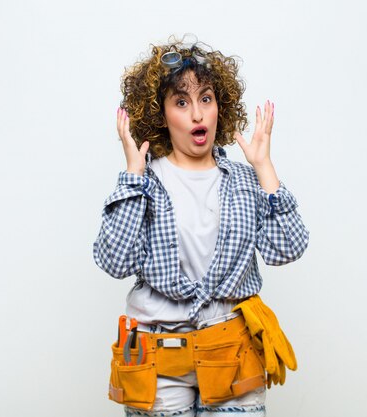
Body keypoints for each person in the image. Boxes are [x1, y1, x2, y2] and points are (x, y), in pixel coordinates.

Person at [93, 36, 309, 417]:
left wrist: (264, 168)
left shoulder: (244, 179)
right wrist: (131, 177)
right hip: (157, 360)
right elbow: (114, 261)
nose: (197, 115)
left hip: (231, 351)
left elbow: (287, 248)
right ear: (161, 115)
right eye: (181, 102)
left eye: (206, 99)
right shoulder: (144, 182)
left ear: (218, 107)